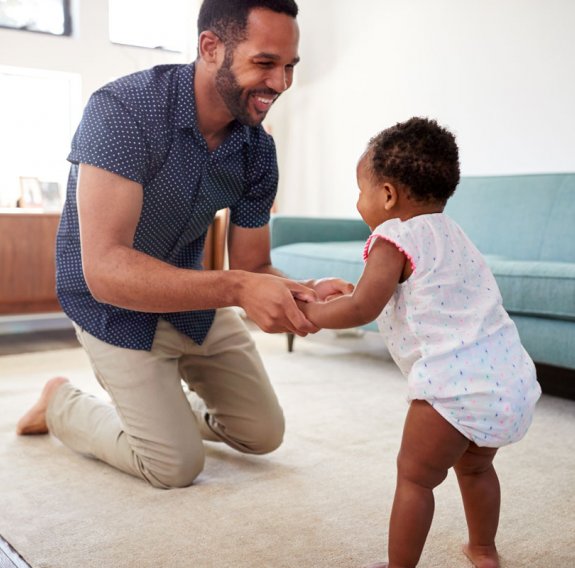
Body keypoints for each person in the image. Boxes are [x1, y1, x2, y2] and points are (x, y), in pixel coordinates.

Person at [16, 0, 352, 489]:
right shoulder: (123, 111)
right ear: (210, 47)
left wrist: (304, 291)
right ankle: (62, 401)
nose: (280, 84)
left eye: (289, 67)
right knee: (174, 467)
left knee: (263, 435)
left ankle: (163, 414)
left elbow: (253, 264)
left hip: (192, 297)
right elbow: (106, 270)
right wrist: (238, 288)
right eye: (265, 63)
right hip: (109, 303)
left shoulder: (258, 151)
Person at [297, 117, 542, 568]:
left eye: (360, 191)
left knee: (415, 479)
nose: (358, 202)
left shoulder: (392, 236)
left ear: (387, 195)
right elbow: (416, 295)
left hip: (452, 388)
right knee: (477, 467)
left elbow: (362, 310)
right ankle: (484, 550)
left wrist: (308, 313)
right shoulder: (453, 234)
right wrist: (352, 290)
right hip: (506, 380)